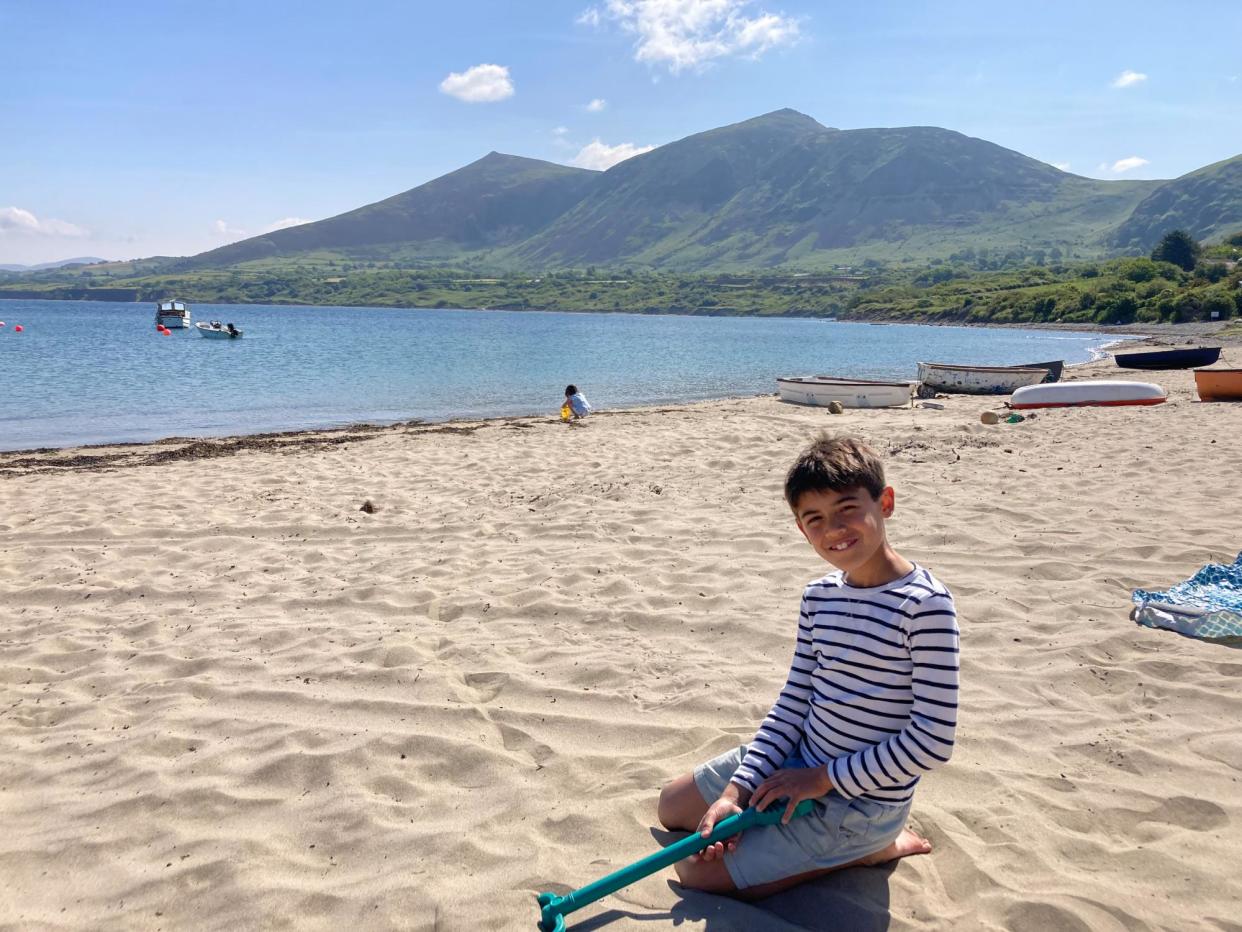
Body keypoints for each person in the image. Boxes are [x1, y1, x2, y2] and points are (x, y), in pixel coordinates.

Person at [656, 434, 959, 899]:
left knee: (695, 875)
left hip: (860, 803)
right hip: (797, 761)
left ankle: (870, 849)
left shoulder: (925, 606)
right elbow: (794, 702)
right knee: (671, 806)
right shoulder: (819, 597)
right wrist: (737, 792)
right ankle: (788, 828)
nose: (834, 529)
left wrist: (820, 781)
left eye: (847, 509)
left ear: (886, 502)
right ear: (801, 529)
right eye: (814, 519)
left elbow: (932, 743)